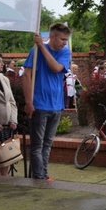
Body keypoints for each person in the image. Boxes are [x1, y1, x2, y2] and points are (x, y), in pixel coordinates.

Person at [22, 23, 72, 180]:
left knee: (47, 144)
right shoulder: (35, 51)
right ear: (52, 36)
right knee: (37, 145)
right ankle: (39, 177)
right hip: (40, 104)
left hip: (56, 105)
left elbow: (56, 68)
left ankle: (42, 174)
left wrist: (42, 47)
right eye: (62, 39)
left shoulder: (65, 52)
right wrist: (29, 101)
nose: (65, 42)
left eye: (66, 39)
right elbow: (26, 75)